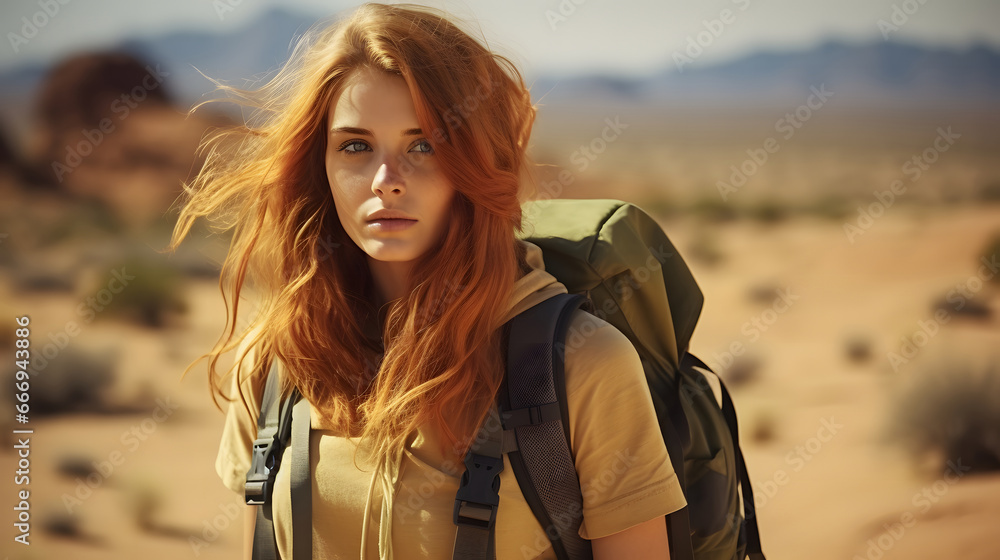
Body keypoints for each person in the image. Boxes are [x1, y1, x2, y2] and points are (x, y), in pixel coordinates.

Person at [167, 3, 687, 558]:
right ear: (318, 163)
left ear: (476, 162)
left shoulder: (583, 367)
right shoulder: (276, 362)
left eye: (425, 145)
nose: (387, 181)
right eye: (355, 146)